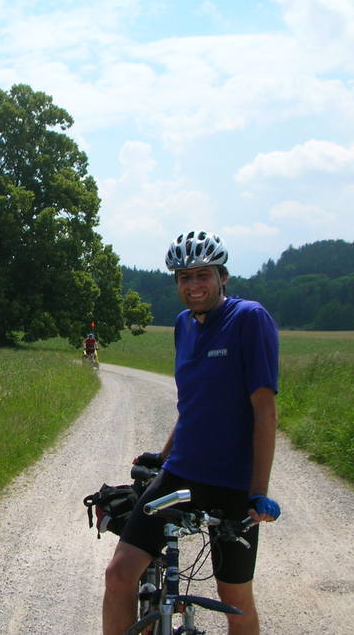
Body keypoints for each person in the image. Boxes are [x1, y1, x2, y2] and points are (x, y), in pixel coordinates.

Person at [102, 230, 281, 635]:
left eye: (203, 275)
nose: (193, 285)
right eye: (184, 277)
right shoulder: (184, 325)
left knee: (234, 598)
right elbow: (193, 407)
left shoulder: (248, 319)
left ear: (223, 277)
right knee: (119, 574)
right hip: (181, 473)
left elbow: (265, 413)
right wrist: (163, 457)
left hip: (232, 483)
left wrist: (258, 491)